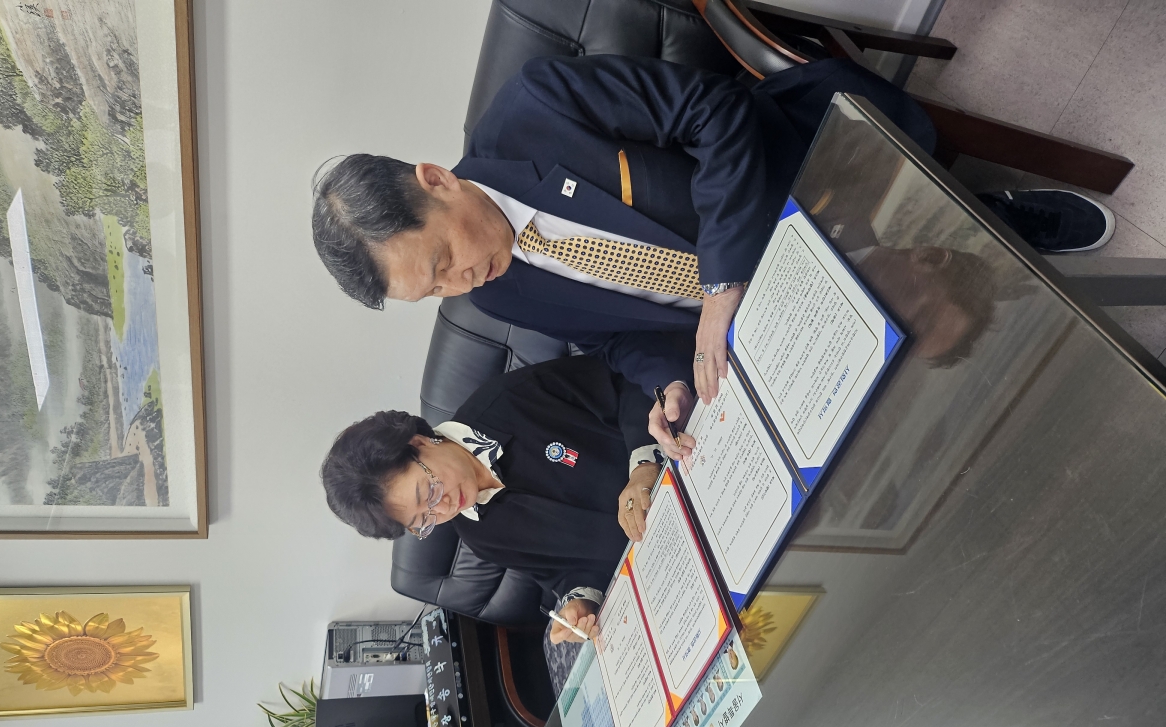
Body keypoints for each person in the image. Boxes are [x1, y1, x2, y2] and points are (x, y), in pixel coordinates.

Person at [312, 55, 1113, 455]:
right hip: (757, 318)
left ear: (437, 181)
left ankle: (986, 217)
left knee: (933, 322)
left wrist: (725, 281)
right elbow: (611, 336)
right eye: (435, 292)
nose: (460, 282)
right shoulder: (496, 294)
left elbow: (715, 111)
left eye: (443, 260)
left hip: (795, 181)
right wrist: (664, 381)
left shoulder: (539, 107)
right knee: (872, 411)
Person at [320, 355, 683, 643]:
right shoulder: (478, 534)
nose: (444, 507)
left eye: (428, 491)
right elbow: (561, 570)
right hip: (666, 565)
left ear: (419, 443)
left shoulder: (511, 399)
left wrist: (643, 466)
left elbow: (626, 381)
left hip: (686, 475)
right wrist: (580, 602)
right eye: (424, 520)